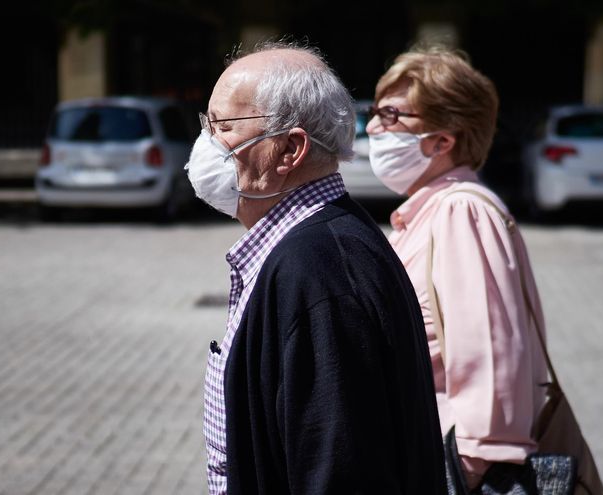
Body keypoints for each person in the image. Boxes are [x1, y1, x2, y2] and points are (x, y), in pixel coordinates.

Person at [186, 42, 445, 495]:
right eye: (207, 124)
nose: (208, 143)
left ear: (289, 149)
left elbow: (340, 470)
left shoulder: (320, 270)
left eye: (223, 127)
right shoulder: (311, 247)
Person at [365, 46, 549, 490]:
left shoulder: (460, 212)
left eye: (391, 116)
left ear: (442, 141)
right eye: (375, 112)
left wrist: (470, 471)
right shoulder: (426, 212)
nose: (371, 126)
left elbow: (490, 354)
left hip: (450, 468)